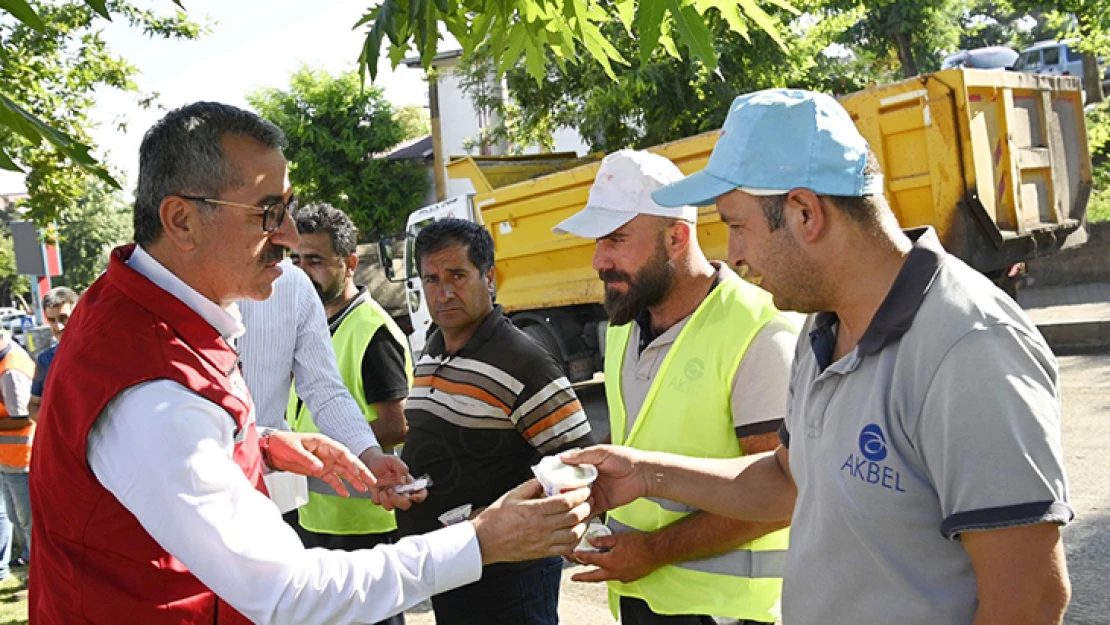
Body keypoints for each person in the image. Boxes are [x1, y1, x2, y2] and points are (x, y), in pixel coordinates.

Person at [28, 101, 595, 625]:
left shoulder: (139, 317)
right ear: (180, 221)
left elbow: (284, 403)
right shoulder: (150, 384)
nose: (290, 236)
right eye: (269, 212)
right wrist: (482, 541)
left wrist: (263, 444)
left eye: (289, 208)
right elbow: (287, 592)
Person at [564, 89, 1073, 625]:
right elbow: (788, 480)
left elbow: (1029, 601)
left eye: (738, 226)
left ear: (805, 212)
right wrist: (645, 473)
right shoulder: (821, 328)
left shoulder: (968, 344)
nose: (732, 253)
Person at [552, 149, 795, 625]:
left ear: (676, 237)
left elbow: (782, 497)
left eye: (617, 239)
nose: (601, 260)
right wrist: (584, 488)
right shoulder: (624, 323)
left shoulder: (760, 330)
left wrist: (654, 551)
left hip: (728, 614)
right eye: (598, 241)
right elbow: (641, 440)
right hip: (643, 600)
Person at [396, 218, 594, 625]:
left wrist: (494, 518)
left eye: (457, 276)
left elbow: (576, 467)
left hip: (510, 580)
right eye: (431, 279)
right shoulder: (435, 346)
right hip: (453, 566)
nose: (444, 292)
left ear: (489, 278)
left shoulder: (523, 360)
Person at [286, 203, 413, 611]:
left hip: (365, 525)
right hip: (316, 516)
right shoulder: (313, 326)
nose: (303, 271)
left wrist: (322, 448)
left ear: (350, 263)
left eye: (316, 261)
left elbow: (396, 424)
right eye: (296, 260)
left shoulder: (371, 330)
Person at [239, 244, 394, 516]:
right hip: (188, 500)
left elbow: (325, 391)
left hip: (273, 498)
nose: (288, 233)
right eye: (268, 211)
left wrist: (369, 455)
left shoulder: (292, 286)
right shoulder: (166, 287)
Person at [0, 329, 34, 576]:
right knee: (16, 518)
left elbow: (23, 417)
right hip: (9, 458)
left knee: (29, 522)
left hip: (22, 459)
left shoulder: (10, 368)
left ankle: (38, 575)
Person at [28, 286, 78, 422]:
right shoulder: (46, 360)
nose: (59, 327)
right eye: (52, 320)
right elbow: (33, 405)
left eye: (64, 318)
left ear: (78, 314)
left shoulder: (99, 352)